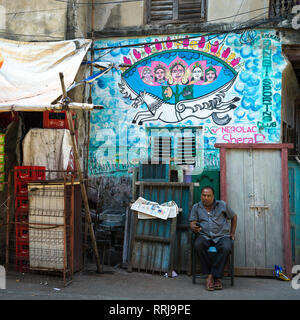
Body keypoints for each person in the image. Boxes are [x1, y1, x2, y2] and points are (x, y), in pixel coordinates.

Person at [189, 186, 237, 291]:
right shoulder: (196, 207)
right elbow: (192, 222)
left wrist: (232, 233)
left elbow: (234, 217)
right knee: (198, 245)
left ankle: (211, 276)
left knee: (226, 247)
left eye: (208, 196)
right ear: (201, 196)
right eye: (204, 195)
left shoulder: (222, 205)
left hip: (221, 236)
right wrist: (193, 227)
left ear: (213, 196)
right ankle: (216, 276)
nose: (206, 198)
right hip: (205, 235)